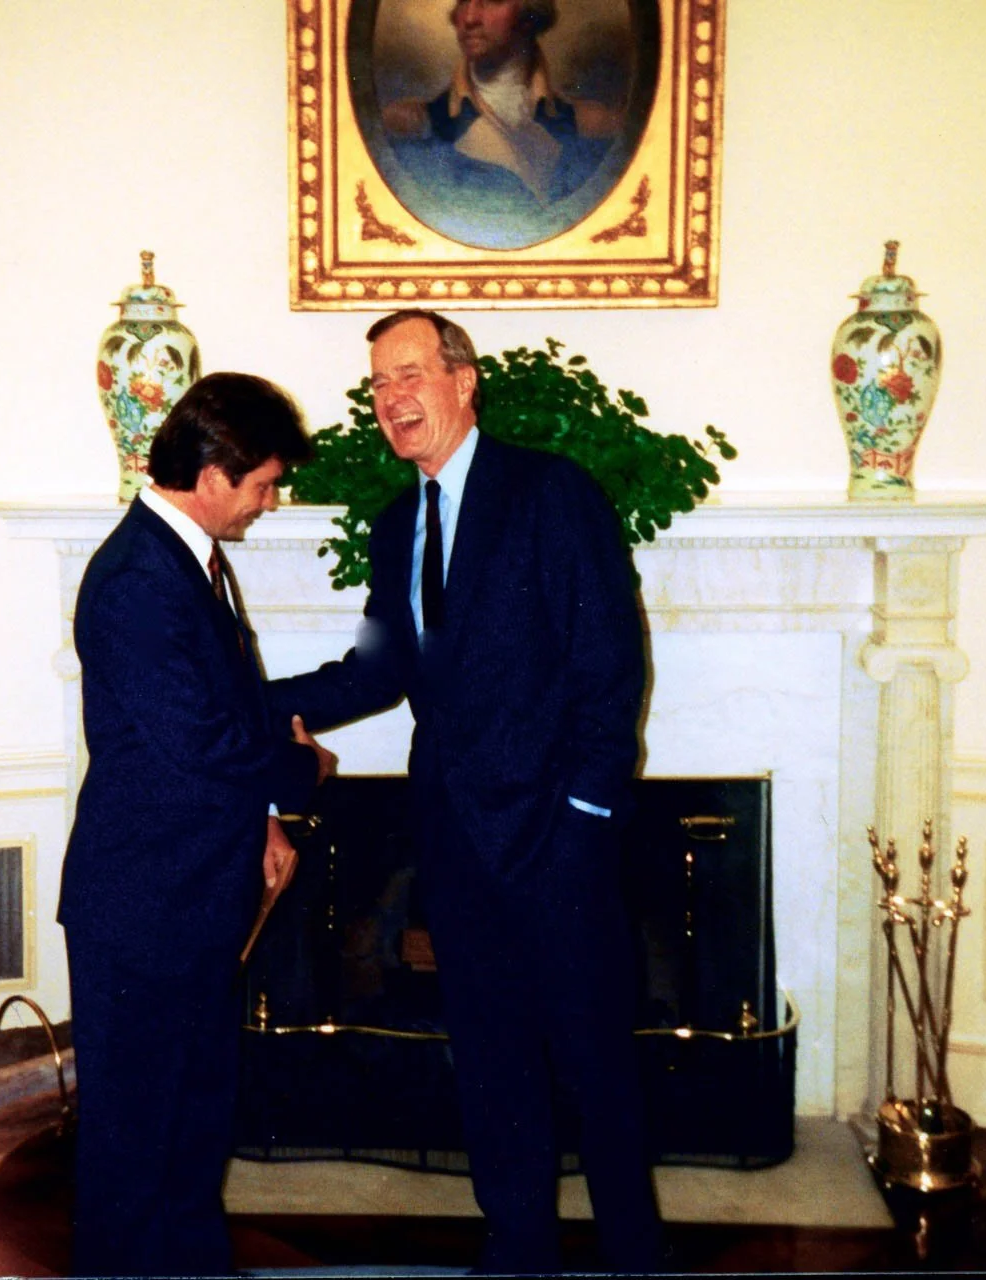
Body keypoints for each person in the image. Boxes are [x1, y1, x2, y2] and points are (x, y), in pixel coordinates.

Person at [268, 310, 663, 1274]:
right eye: (377, 386)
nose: (391, 399)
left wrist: (584, 818)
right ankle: (518, 1247)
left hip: (556, 840)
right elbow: (376, 667)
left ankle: (637, 1260)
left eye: (408, 375)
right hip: (455, 847)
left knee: (596, 1071)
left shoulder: (550, 492)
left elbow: (612, 667)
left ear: (463, 380)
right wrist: (255, 704)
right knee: (490, 1069)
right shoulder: (400, 520)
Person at [58, 373, 334, 1277]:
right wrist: (300, 772)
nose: (270, 501)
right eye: (262, 483)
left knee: (187, 1134)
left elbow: (223, 712)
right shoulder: (140, 574)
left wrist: (263, 818)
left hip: (189, 899)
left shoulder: (187, 559)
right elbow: (203, 740)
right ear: (212, 472)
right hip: (144, 909)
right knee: (135, 1154)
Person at [381, 0, 622, 247]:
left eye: (492, 1)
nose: (470, 18)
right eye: (463, 1)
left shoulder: (592, 127)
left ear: (530, 12)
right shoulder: (413, 127)